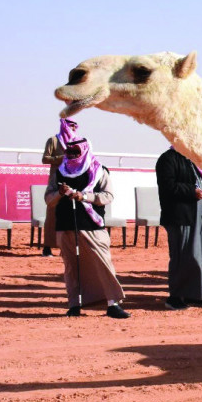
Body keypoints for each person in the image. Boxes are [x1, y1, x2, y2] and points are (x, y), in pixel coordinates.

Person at [45, 137, 129, 318]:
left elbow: (107, 196)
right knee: (71, 267)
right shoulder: (59, 172)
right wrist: (60, 193)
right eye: (69, 152)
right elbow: (48, 199)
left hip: (92, 226)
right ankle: (74, 304)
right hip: (66, 226)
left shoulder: (99, 171)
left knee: (103, 264)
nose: (72, 155)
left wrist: (84, 197)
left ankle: (112, 304)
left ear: (85, 150)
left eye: (76, 152)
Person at [156, 147, 202, 310]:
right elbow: (167, 186)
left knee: (197, 255)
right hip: (179, 217)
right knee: (181, 256)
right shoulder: (167, 159)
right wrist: (192, 191)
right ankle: (175, 297)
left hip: (197, 216)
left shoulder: (192, 160)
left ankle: (196, 294)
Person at [40, 118, 79, 256]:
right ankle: (47, 247)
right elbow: (45, 158)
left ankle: (65, 247)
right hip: (56, 182)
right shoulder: (53, 140)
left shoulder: (77, 142)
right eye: (71, 125)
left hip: (72, 180)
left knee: (68, 214)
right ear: (64, 126)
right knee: (52, 214)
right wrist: (61, 158)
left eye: (76, 126)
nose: (74, 128)